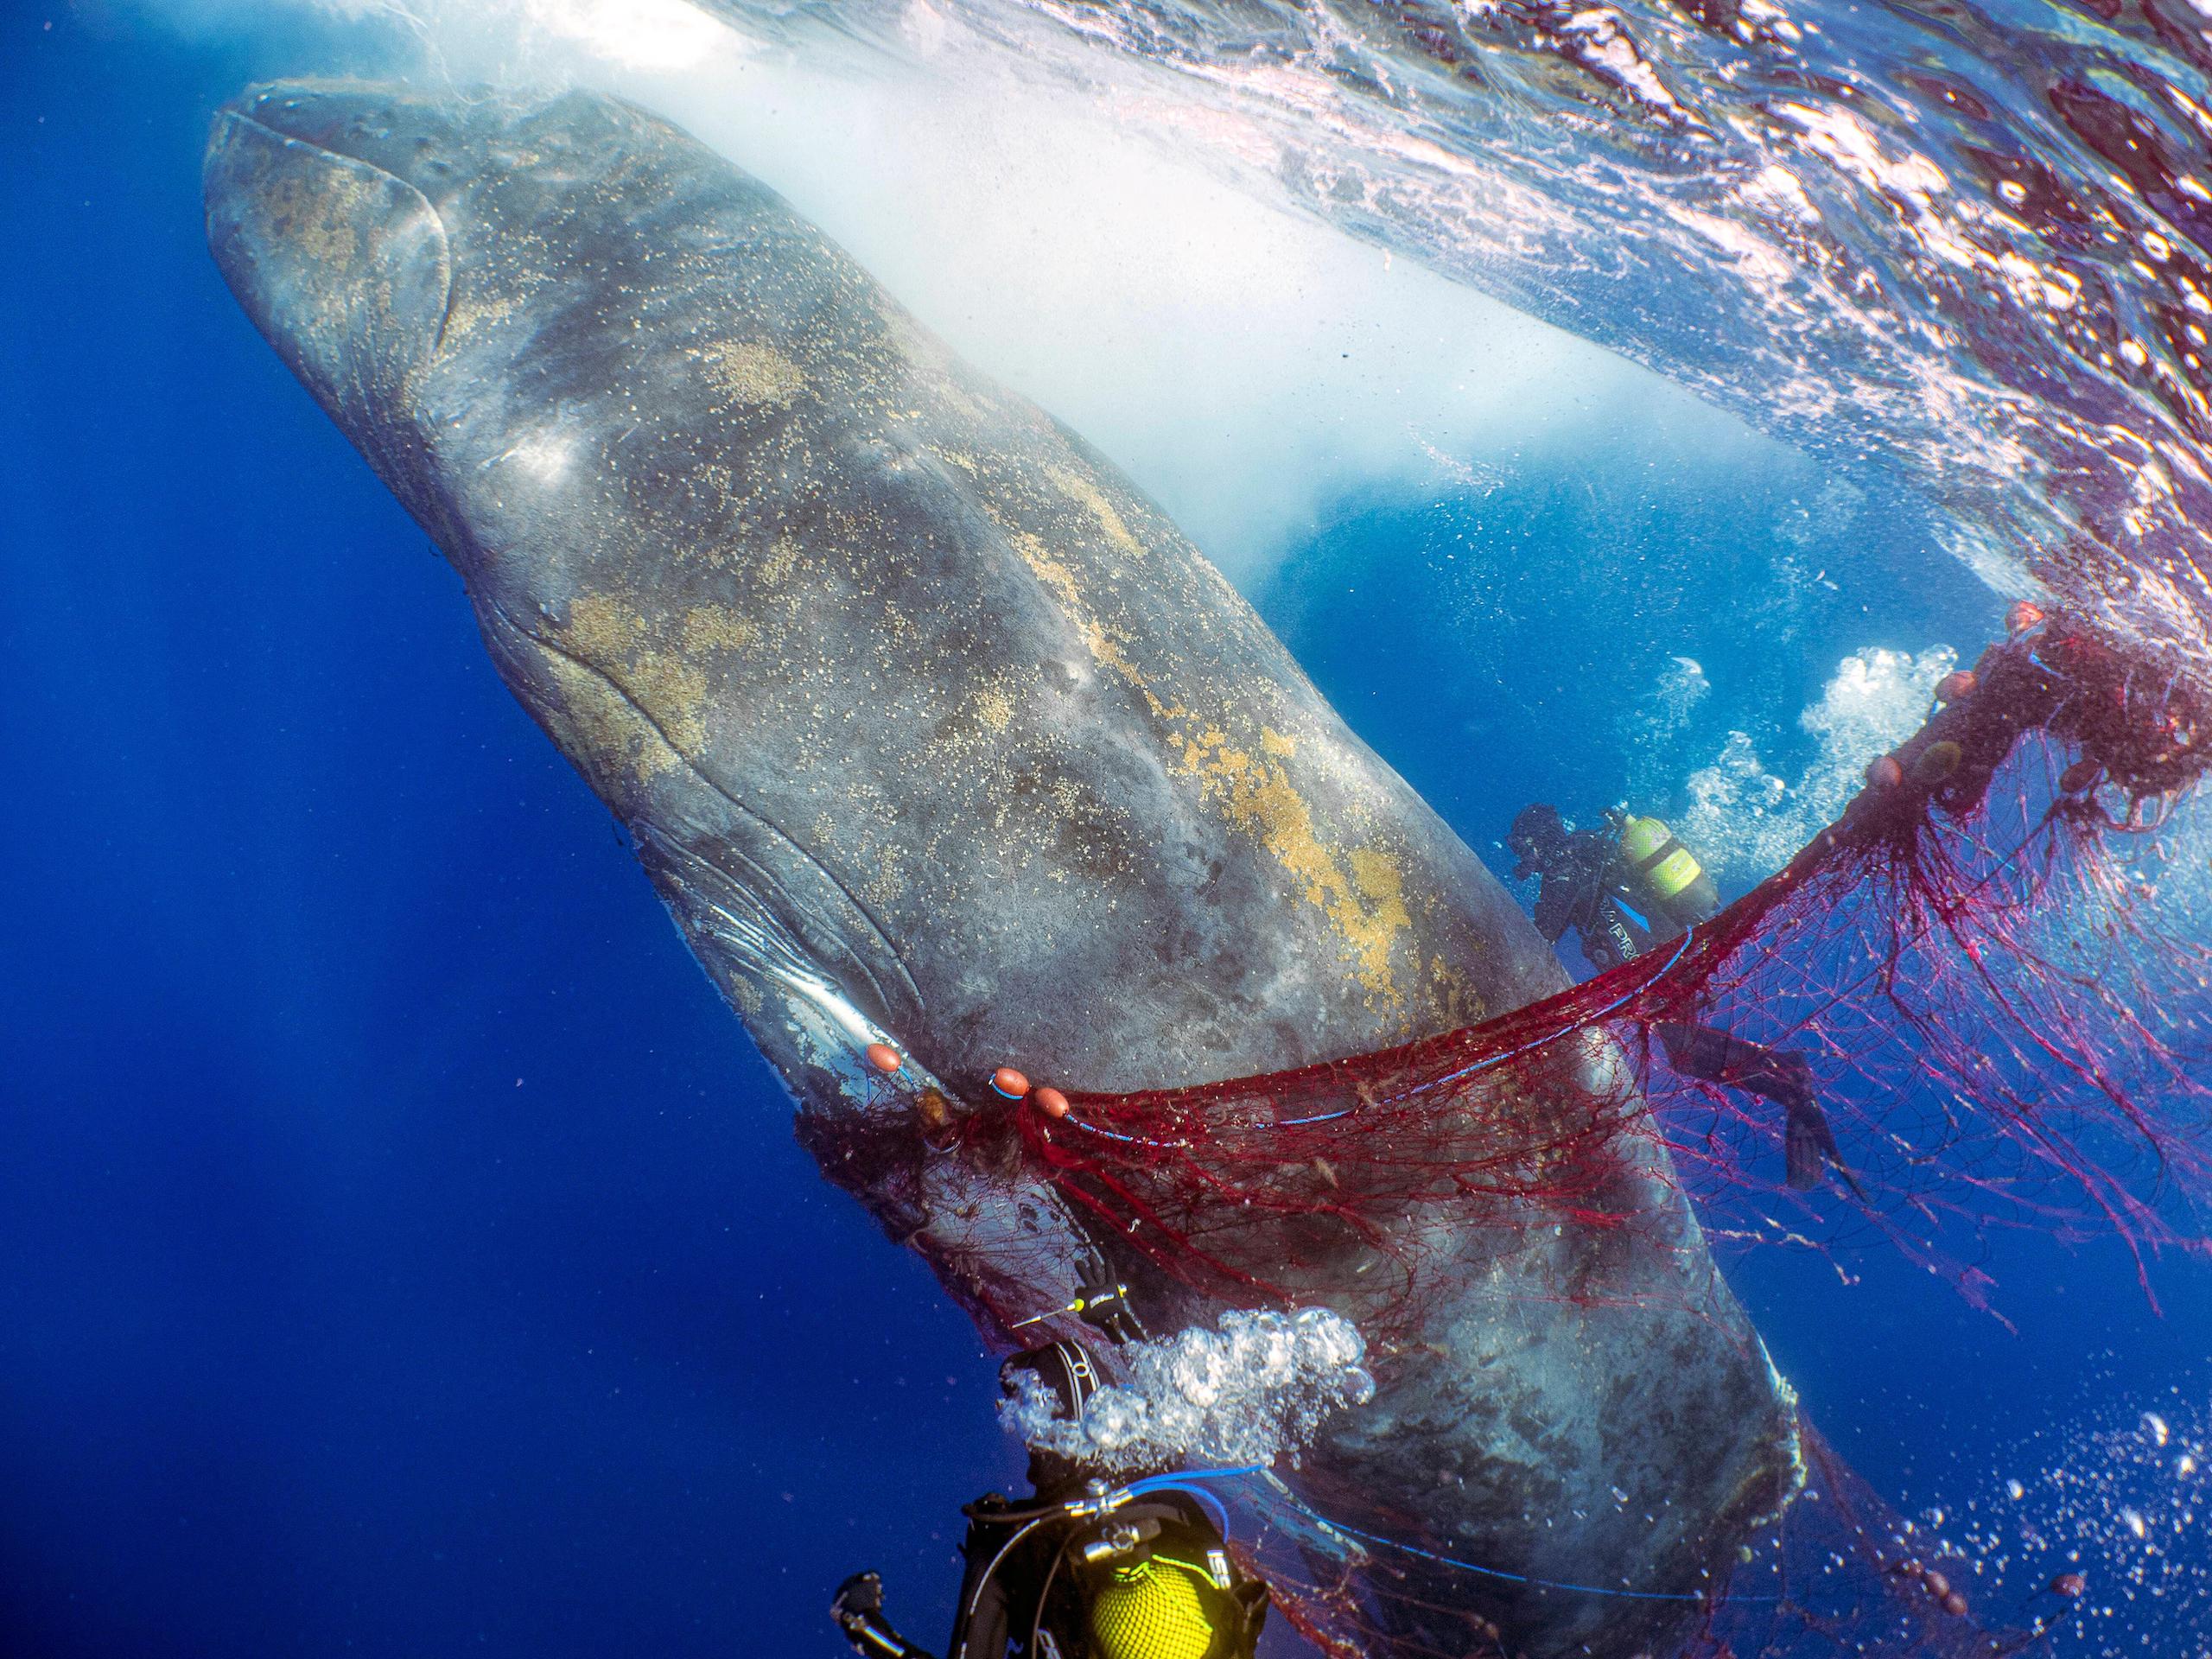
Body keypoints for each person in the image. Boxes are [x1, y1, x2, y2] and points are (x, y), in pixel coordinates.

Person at [833, 1319, 1268, 1659]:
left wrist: (863, 1623)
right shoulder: (1164, 1488)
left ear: (1037, 1438)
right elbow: (1184, 1390)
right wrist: (1116, 1322)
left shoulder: (1012, 1543)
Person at [1507, 804, 1720, 971]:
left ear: (1537, 841)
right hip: (1675, 941)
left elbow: (1543, 934)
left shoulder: (1563, 871)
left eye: (1522, 848)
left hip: (1652, 962)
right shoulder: (1591, 843)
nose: (1522, 856)